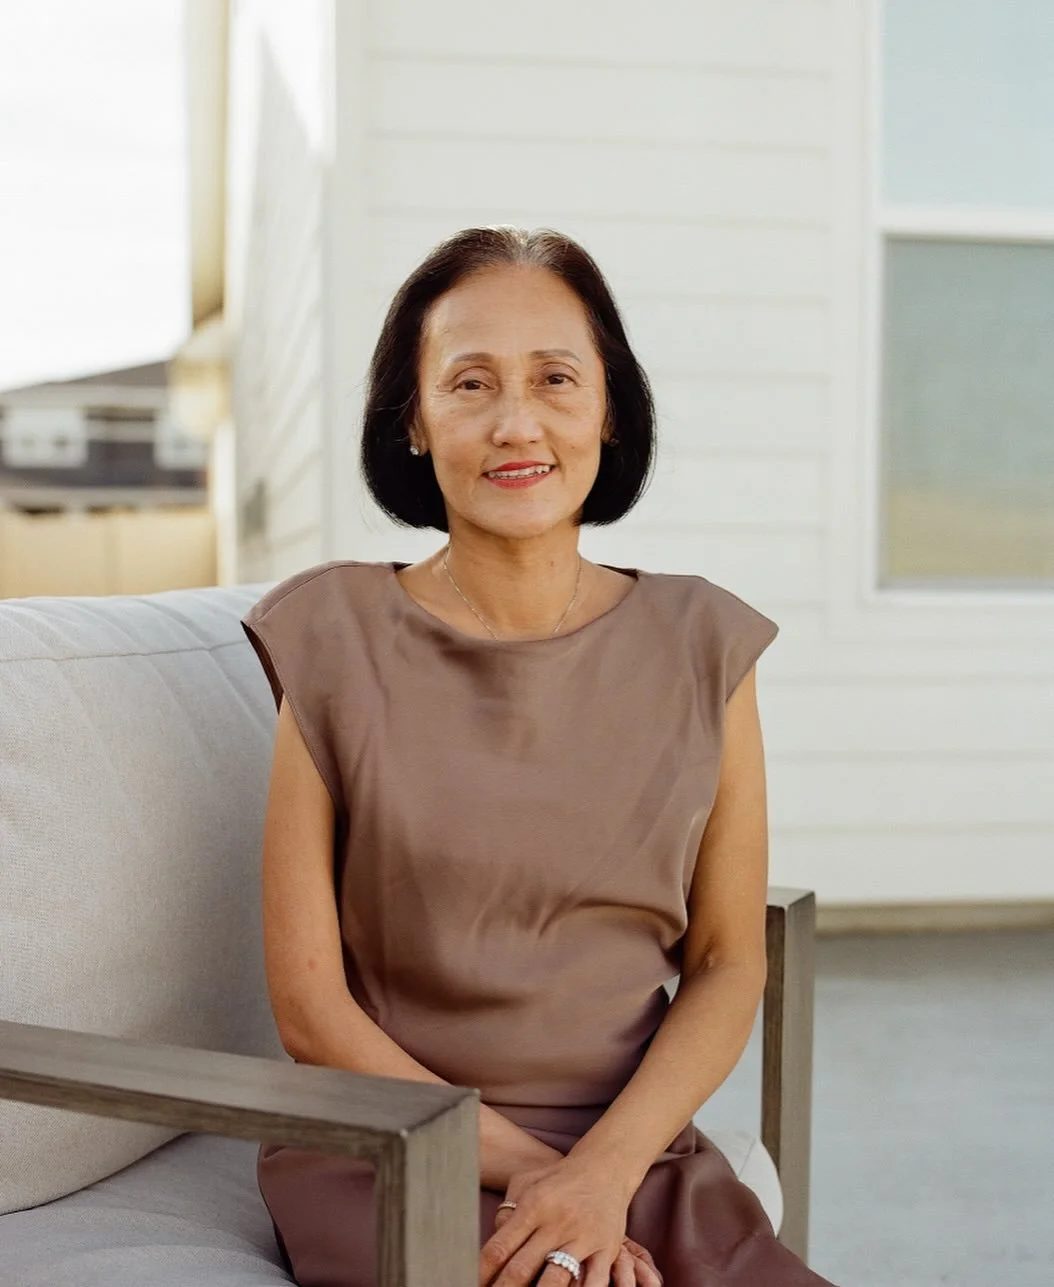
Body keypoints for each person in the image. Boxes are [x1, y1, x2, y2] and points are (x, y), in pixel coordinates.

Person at [241, 226, 836, 1287]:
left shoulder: (707, 644)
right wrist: (542, 1181)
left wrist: (603, 1170)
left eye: (555, 378)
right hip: (398, 1145)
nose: (516, 422)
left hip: (634, 1146)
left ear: (609, 410)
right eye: (468, 383)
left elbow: (725, 962)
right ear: (414, 423)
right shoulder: (326, 638)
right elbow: (309, 1010)